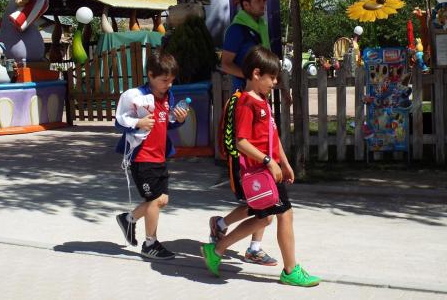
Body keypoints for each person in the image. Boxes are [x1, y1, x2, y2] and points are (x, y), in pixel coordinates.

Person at [201, 46, 320, 287]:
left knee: (265, 219)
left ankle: (218, 249)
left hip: (269, 171)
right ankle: (290, 270)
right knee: (283, 214)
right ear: (256, 74)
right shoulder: (247, 103)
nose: (275, 82)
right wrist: (269, 161)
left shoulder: (262, 101)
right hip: (259, 172)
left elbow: (272, 137)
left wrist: (284, 163)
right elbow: (240, 142)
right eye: (272, 77)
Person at [217, 0, 281, 265]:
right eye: (257, 1)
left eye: (263, 1)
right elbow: (225, 62)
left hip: (259, 99)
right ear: (244, 4)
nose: (262, 5)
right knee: (258, 184)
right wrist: (248, 80)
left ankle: (223, 226)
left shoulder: (258, 28)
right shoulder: (238, 30)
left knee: (263, 188)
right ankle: (248, 244)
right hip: (246, 102)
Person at [114, 52, 188, 260]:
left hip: (159, 156)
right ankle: (150, 244)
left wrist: (179, 119)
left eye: (172, 80)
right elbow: (119, 122)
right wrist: (138, 123)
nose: (169, 85)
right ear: (150, 75)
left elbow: (168, 123)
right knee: (155, 199)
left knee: (162, 200)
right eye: (165, 80)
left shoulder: (168, 97)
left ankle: (129, 219)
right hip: (142, 158)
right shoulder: (135, 96)